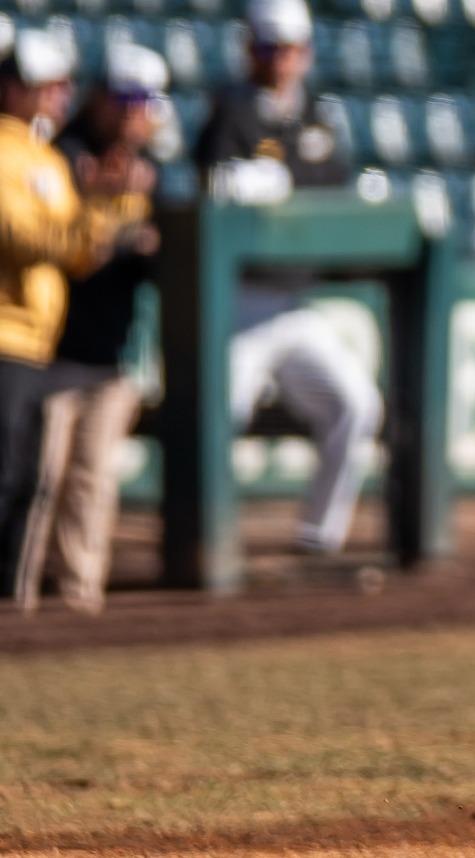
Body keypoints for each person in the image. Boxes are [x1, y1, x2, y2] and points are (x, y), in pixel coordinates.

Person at [194, 0, 382, 556]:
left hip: (293, 302)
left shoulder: (315, 114)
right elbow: (213, 183)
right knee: (219, 410)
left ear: (307, 52)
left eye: (291, 49)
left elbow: (331, 183)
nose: (281, 61)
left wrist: (288, 185)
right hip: (239, 299)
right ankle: (207, 535)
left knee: (358, 403)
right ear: (250, 48)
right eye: (271, 48)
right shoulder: (229, 111)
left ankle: (317, 538)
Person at [15, 43, 168, 615]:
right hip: (51, 349)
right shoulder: (62, 155)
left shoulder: (154, 170)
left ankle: (81, 606)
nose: (133, 112)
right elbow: (67, 249)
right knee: (37, 481)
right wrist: (109, 216)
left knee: (91, 484)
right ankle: (19, 600)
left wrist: (135, 230)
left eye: (145, 101)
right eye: (124, 98)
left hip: (112, 352)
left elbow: (160, 253)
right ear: (101, 96)